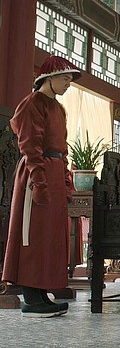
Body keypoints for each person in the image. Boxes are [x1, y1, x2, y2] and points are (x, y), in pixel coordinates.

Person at [2, 56, 82, 318]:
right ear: (48, 78)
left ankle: (41, 293)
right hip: (36, 172)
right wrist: (39, 181)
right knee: (32, 233)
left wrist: (66, 181)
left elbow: (63, 147)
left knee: (50, 235)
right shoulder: (32, 103)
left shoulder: (58, 108)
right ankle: (31, 297)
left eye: (70, 80)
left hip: (54, 172)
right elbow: (29, 145)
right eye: (65, 78)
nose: (68, 83)